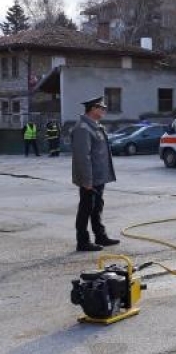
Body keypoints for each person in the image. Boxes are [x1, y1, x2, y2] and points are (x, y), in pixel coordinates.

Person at [71, 96, 119, 252]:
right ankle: (82, 242)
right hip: (89, 178)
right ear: (93, 109)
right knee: (86, 209)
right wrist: (86, 181)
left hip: (99, 177)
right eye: (102, 108)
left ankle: (100, 236)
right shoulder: (83, 128)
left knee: (97, 207)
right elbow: (82, 157)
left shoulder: (95, 126)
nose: (104, 110)